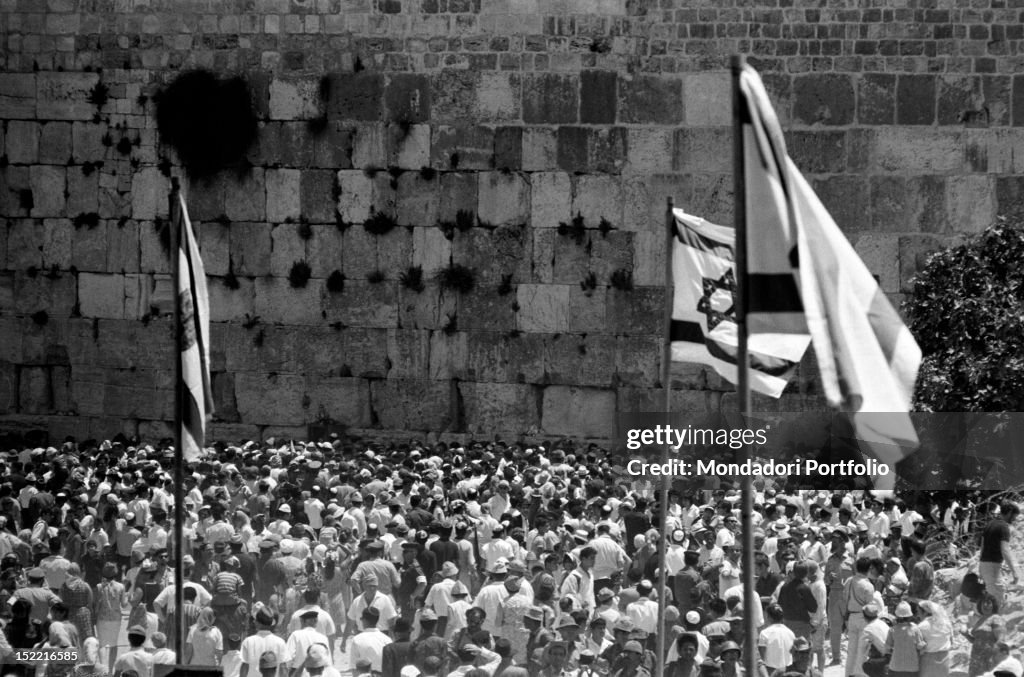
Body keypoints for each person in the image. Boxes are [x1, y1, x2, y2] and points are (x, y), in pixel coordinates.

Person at [978, 502, 1019, 605]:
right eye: (1014, 516)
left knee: (993, 599)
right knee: (999, 603)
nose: (1014, 519)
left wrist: (980, 568)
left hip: (984, 565)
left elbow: (982, 547)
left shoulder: (989, 524)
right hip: (992, 568)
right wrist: (1014, 571)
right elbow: (1004, 550)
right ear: (1009, 512)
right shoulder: (1004, 527)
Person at [964, 592, 1005, 677]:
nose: (986, 605)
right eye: (983, 603)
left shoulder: (996, 619)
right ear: (980, 605)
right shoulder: (981, 620)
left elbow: (1001, 639)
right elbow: (977, 640)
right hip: (976, 659)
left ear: (993, 605)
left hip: (988, 659)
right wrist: (966, 635)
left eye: (989, 603)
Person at [887, 602, 925, 677]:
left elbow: (887, 648)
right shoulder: (915, 629)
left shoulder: (892, 630)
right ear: (910, 616)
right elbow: (920, 647)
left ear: (897, 616)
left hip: (895, 667)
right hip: (912, 668)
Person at [917, 601, 951, 677]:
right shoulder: (946, 623)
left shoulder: (922, 626)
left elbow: (919, 645)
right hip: (945, 659)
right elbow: (951, 640)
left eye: (918, 612)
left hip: (928, 661)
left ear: (925, 613)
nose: (918, 615)